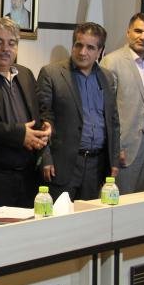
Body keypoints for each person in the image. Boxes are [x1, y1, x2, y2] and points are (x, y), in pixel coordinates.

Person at [0, 18, 51, 208]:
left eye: (12, 43)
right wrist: (19, 134)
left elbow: (42, 109)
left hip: (29, 174)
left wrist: (48, 125)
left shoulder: (26, 74)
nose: (5, 48)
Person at [37, 22, 120, 201]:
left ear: (100, 51)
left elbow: (113, 121)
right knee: (59, 216)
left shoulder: (107, 77)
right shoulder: (51, 74)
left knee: (89, 215)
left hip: (97, 166)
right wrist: (46, 158)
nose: (83, 52)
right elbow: (42, 119)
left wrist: (113, 160)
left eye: (90, 47)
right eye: (79, 45)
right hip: (62, 164)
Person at [101, 13, 144, 194]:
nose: (142, 37)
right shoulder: (111, 62)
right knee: (122, 200)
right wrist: (116, 149)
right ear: (128, 32)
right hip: (125, 147)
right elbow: (105, 111)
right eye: (138, 31)